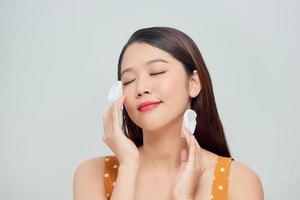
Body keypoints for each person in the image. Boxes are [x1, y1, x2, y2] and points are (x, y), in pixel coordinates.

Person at [73, 27, 264, 200]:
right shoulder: (92, 174)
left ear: (193, 83)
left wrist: (183, 196)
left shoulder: (238, 180)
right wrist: (128, 166)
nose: (140, 88)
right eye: (129, 81)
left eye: (156, 72)